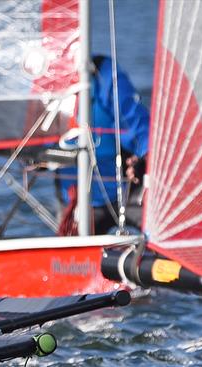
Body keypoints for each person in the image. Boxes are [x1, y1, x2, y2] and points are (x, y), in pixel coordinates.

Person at [56, 55, 150, 234]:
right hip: (76, 198)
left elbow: (137, 121)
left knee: (157, 233)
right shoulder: (49, 82)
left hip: (126, 190)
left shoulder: (103, 72)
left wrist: (145, 157)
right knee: (71, 247)